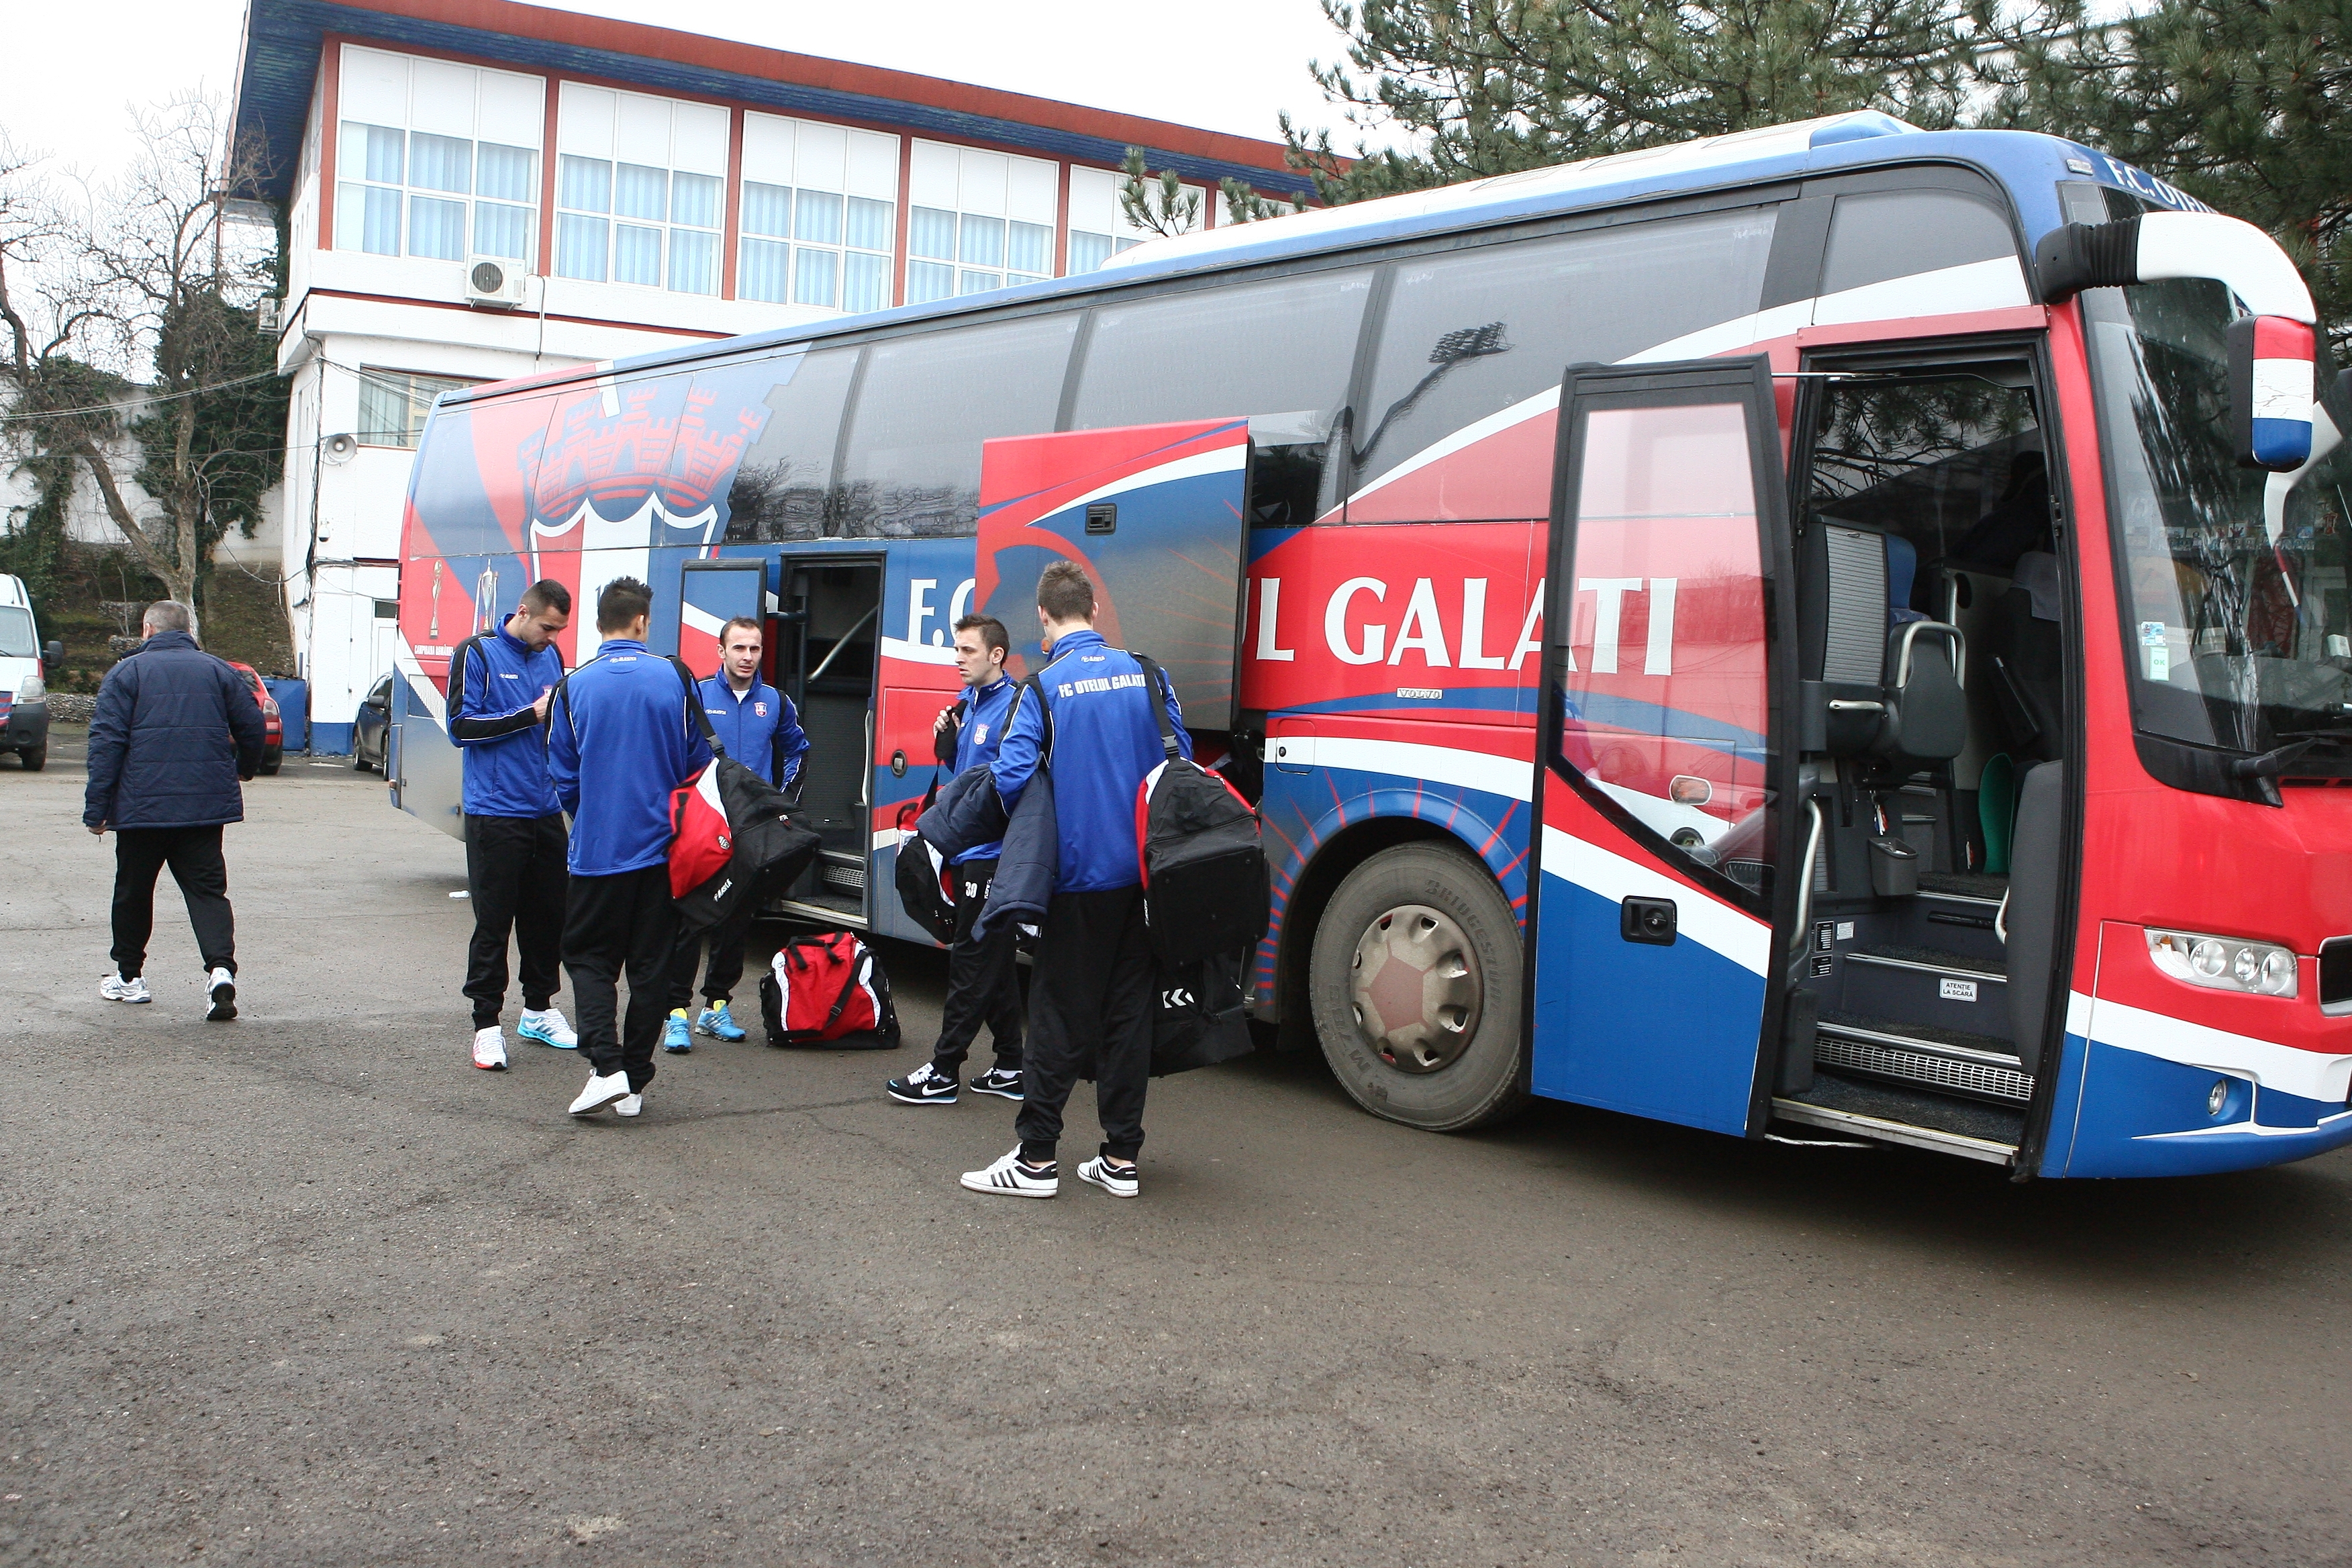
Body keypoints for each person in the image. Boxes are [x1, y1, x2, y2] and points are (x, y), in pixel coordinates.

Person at [960, 562, 1187, 1202]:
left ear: (1043, 617)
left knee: (1057, 1018)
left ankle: (1035, 1160)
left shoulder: (1044, 688)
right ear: (1093, 608)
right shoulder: (1147, 672)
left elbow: (1008, 779)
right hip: (1146, 883)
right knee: (1127, 1020)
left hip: (1078, 882)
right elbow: (1181, 759)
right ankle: (1120, 1158)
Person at [545, 578, 712, 1120]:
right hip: (665, 853)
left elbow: (562, 774)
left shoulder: (574, 686)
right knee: (651, 971)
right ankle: (634, 1080)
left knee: (588, 957)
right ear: (643, 621)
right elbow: (700, 763)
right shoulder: (676, 677)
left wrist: (591, 810)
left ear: (599, 624)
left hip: (597, 850)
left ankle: (606, 1066)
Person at [84, 600, 266, 1020]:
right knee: (207, 892)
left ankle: (129, 979)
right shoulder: (220, 671)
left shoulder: (126, 673)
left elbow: (106, 743)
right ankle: (221, 972)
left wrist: (97, 810)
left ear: (147, 630)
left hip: (140, 808)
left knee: (133, 892)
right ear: (189, 630)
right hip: (203, 809)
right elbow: (253, 726)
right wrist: (245, 770)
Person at [886, 613, 1025, 1106]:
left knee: (971, 960)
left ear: (996, 656)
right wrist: (946, 744)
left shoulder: (1014, 707)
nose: (958, 659)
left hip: (992, 856)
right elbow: (962, 773)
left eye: (968, 651)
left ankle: (944, 1071)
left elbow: (1009, 787)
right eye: (956, 650)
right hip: (966, 853)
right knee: (994, 963)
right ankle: (1012, 1065)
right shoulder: (968, 703)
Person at [448, 581, 579, 1071]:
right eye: (547, 627)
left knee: (549, 916)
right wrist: (531, 714)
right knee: (494, 920)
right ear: (523, 612)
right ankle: (486, 1025)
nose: (552, 637)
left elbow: (555, 727)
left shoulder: (552, 656)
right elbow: (461, 728)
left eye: (559, 630)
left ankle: (539, 1010)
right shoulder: (476, 652)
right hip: (494, 810)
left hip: (544, 808)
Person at [663, 615, 807, 1051]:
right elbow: (672, 752)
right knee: (690, 921)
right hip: (704, 828)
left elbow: (799, 750)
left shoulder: (776, 702)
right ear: (721, 652)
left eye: (755, 649)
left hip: (752, 833)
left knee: (736, 922)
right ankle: (676, 1014)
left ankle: (716, 1007)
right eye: (739, 648)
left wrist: (782, 804)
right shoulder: (698, 695)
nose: (747, 657)